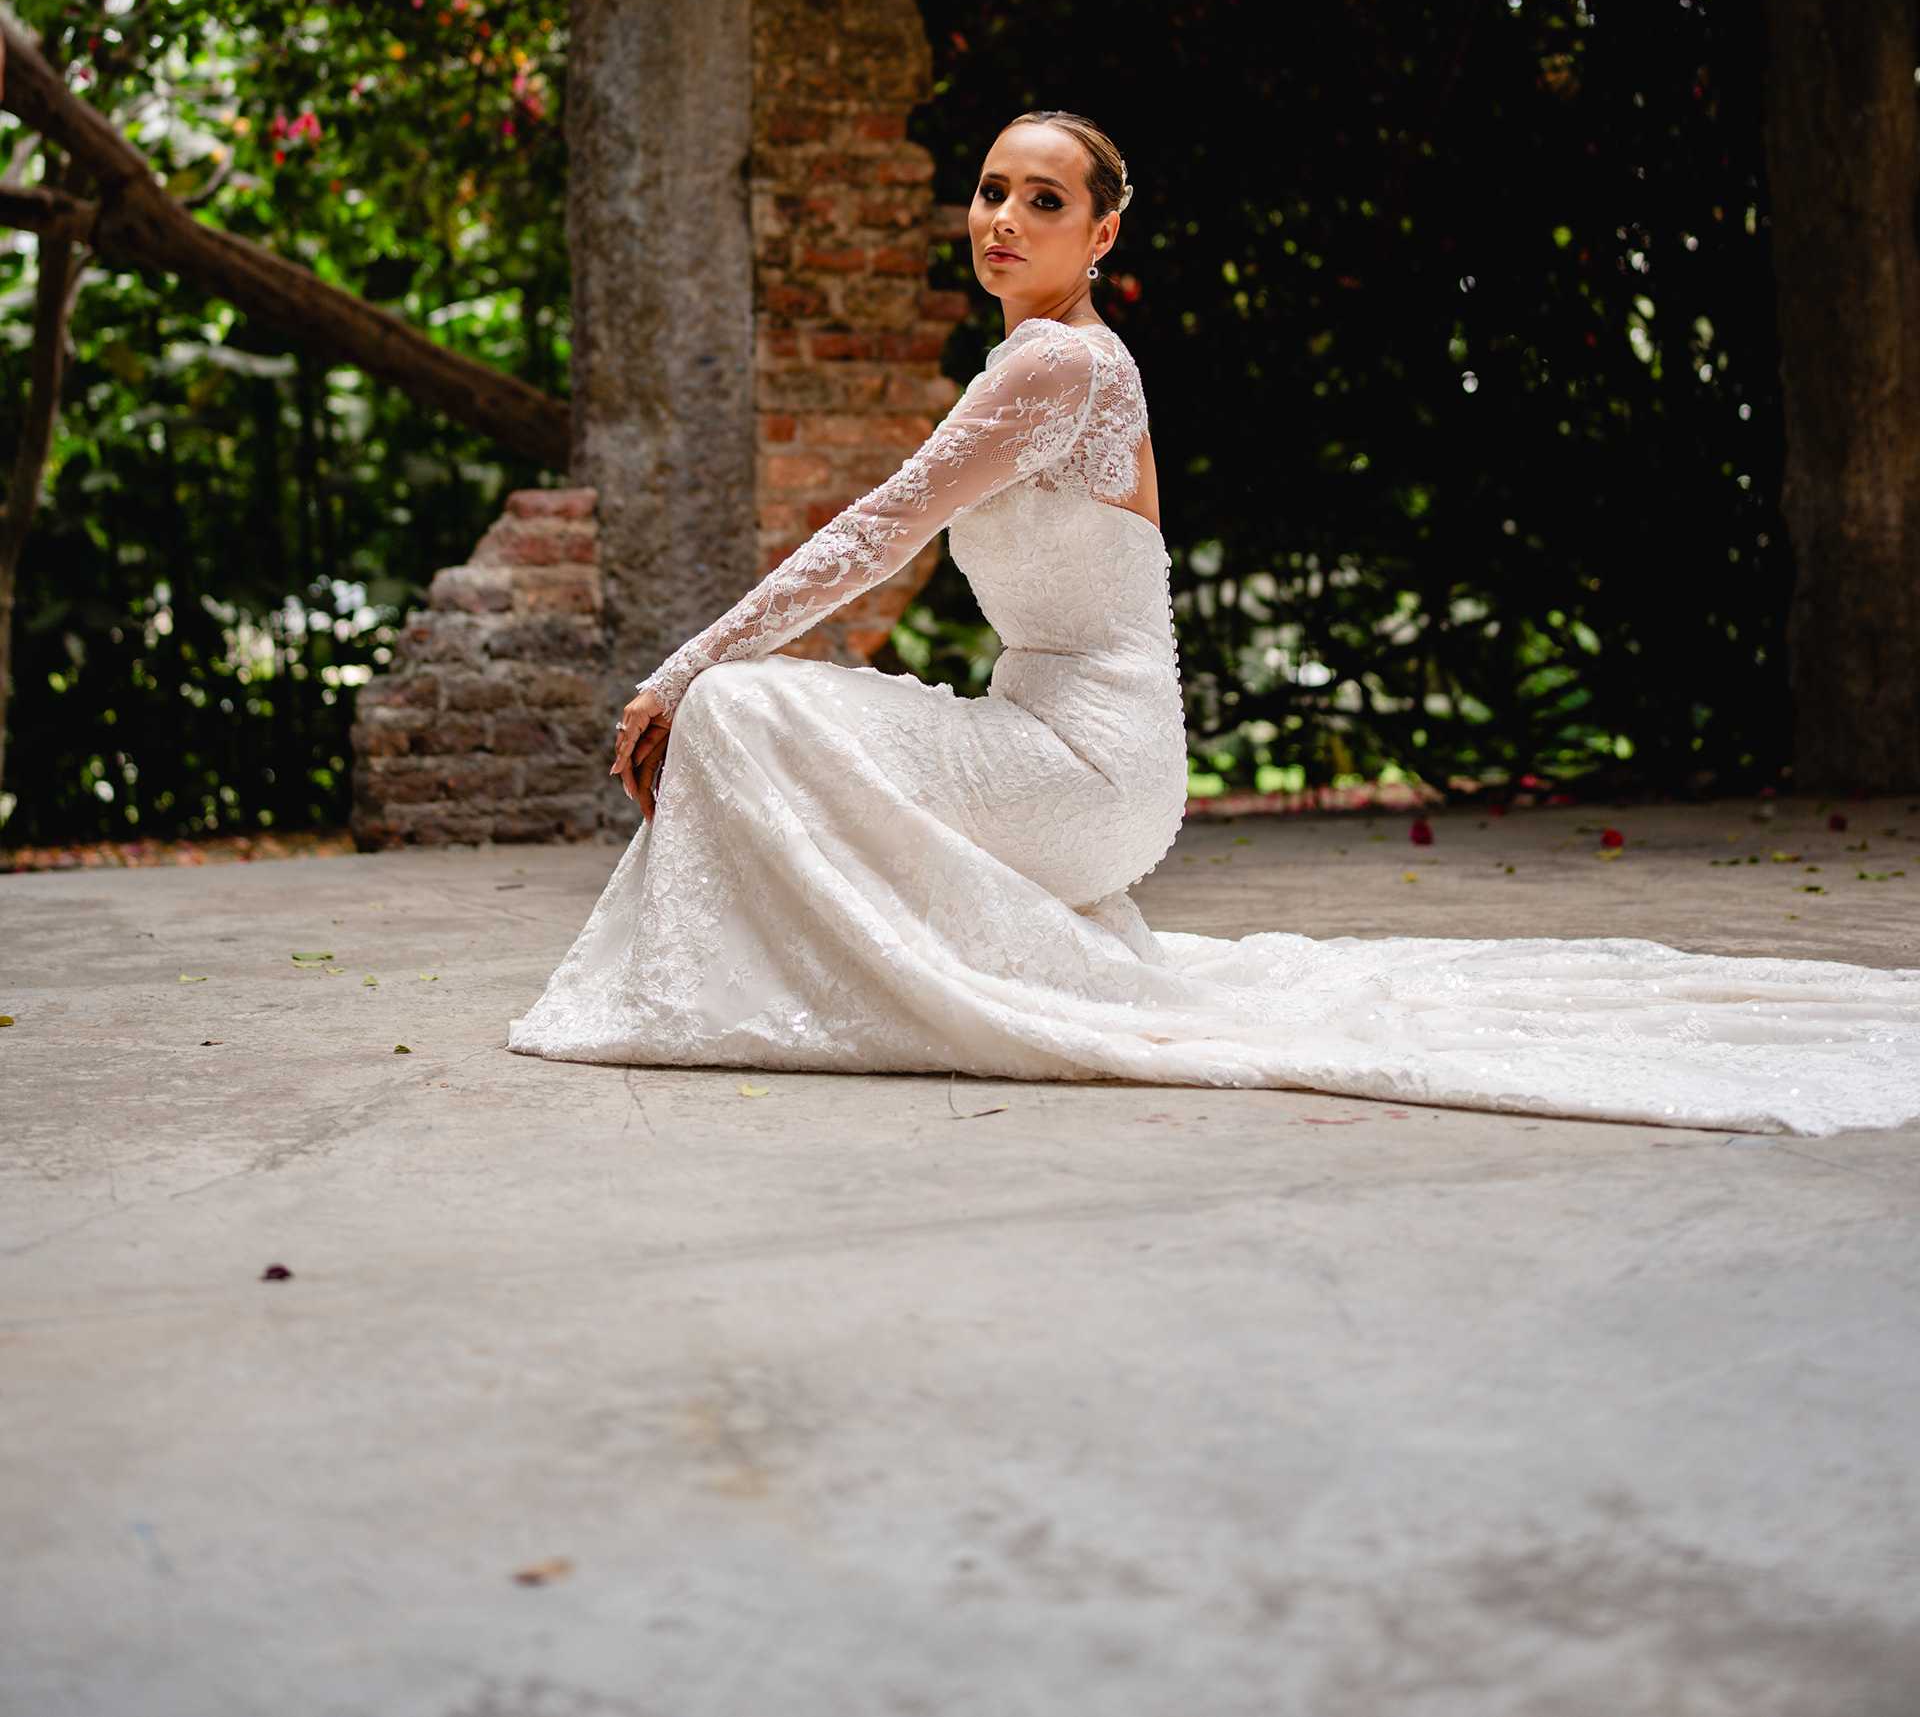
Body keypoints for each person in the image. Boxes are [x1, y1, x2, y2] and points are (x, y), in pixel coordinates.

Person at [511, 112, 1920, 1136]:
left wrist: (681, 665)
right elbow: (897, 536)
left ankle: (799, 986)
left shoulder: (1055, 365)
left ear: (1104, 231)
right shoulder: (1039, 359)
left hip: (1091, 774)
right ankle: (823, 973)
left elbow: (878, 529)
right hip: (1063, 754)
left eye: (1043, 200)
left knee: (750, 701)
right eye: (991, 189)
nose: (1001, 217)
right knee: (768, 700)